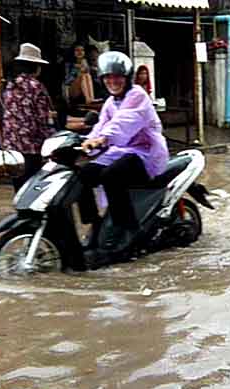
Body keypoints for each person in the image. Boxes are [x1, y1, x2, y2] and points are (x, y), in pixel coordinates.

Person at [78, 51, 169, 256]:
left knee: (111, 175)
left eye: (117, 77)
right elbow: (101, 126)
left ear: (127, 78)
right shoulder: (110, 102)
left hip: (146, 154)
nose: (113, 81)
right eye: (108, 77)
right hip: (120, 151)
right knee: (83, 174)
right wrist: (85, 143)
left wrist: (102, 140)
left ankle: (128, 228)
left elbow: (124, 122)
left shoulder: (137, 95)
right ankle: (96, 223)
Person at [1, 43, 57, 191]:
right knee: (32, 189)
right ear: (36, 67)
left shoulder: (10, 85)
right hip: (30, 147)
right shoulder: (35, 86)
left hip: (11, 147)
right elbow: (43, 119)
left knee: (19, 188)